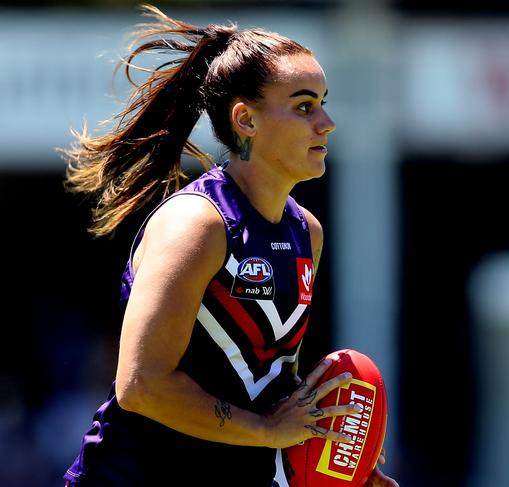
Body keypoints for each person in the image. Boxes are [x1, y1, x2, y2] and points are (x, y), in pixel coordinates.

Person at [60, 4, 398, 486]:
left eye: (324, 102)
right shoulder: (197, 225)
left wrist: (333, 463)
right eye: (304, 106)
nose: (326, 122)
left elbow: (269, 389)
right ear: (246, 120)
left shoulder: (308, 233)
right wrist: (265, 430)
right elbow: (142, 385)